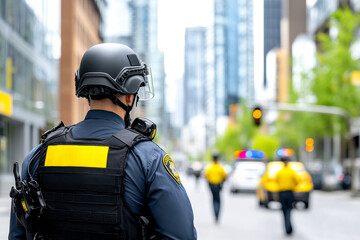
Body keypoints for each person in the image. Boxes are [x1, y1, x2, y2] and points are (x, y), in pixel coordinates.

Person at [9, 43, 197, 240]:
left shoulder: (38, 156)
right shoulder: (148, 158)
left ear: (86, 94)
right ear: (128, 96)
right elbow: (181, 235)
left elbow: (18, 234)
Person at [274, 157, 300, 235]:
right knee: (289, 210)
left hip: (281, 193)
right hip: (289, 192)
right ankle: (288, 227)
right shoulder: (291, 172)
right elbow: (297, 181)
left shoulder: (280, 172)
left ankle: (287, 227)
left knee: (284, 211)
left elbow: (276, 181)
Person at [204, 152, 227, 223]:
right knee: (218, 201)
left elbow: (206, 176)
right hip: (218, 185)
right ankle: (217, 215)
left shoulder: (209, 168)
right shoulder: (221, 168)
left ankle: (215, 214)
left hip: (211, 185)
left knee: (213, 200)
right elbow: (225, 176)